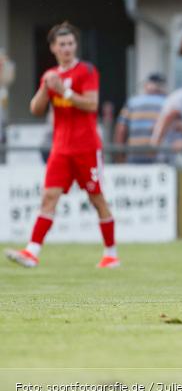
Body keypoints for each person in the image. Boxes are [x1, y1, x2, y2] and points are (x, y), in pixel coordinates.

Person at [5, 22, 119, 269]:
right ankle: (32, 252)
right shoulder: (51, 75)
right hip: (60, 148)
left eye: (71, 43)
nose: (67, 48)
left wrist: (65, 93)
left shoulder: (86, 71)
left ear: (75, 46)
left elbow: (91, 104)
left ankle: (111, 253)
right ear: (53, 48)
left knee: (97, 198)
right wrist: (47, 88)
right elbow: (35, 109)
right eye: (62, 44)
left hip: (86, 147)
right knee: (48, 197)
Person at [114, 72, 167, 164]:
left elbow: (121, 129)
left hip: (134, 153)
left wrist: (119, 155)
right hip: (158, 155)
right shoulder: (167, 103)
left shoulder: (132, 102)